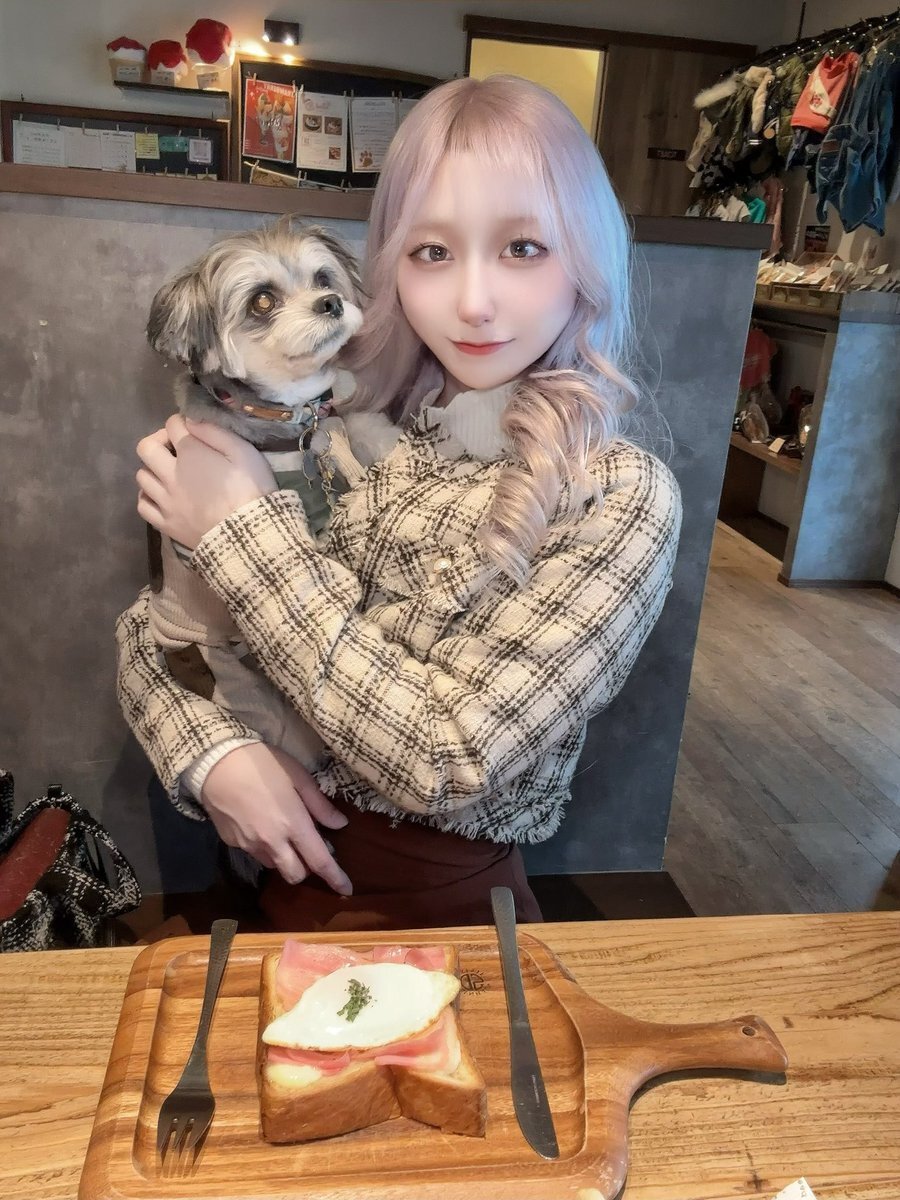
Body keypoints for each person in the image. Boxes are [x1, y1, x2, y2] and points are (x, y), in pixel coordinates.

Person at [118, 75, 682, 931]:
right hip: (255, 884)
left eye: (524, 247)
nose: (474, 302)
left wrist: (240, 530)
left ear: (587, 257)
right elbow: (151, 634)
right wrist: (214, 758)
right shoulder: (360, 433)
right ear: (389, 267)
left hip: (434, 914)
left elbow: (446, 759)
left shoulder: (617, 496)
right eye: (432, 253)